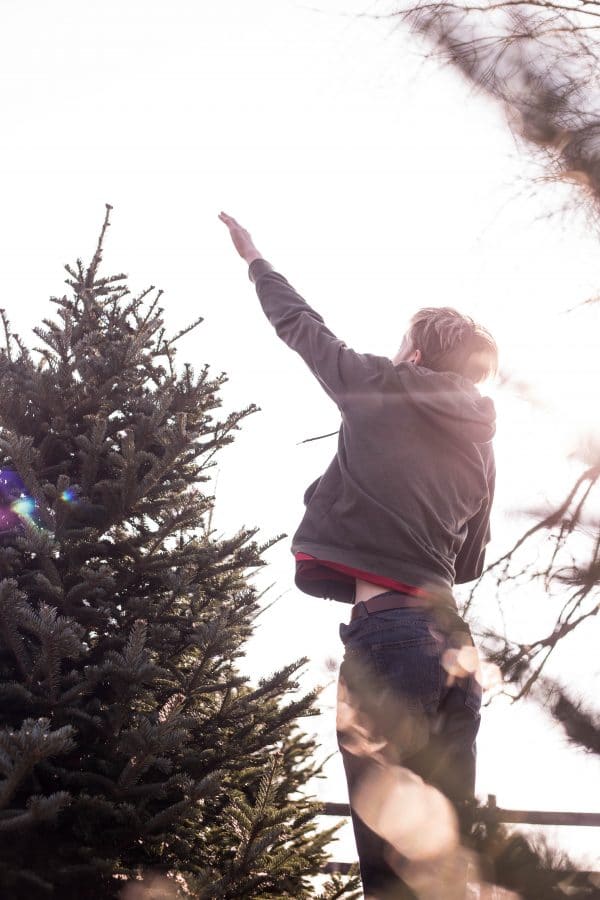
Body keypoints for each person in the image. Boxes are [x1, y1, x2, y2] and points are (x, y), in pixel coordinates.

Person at [219, 211, 497, 899]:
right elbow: (469, 561)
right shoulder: (482, 444)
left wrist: (257, 261)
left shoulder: (380, 388)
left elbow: (304, 331)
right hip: (455, 647)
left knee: (389, 867)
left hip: (391, 639)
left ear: (414, 356)